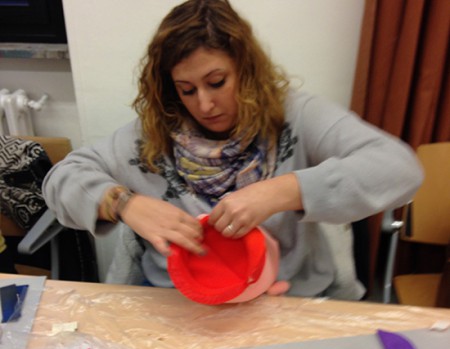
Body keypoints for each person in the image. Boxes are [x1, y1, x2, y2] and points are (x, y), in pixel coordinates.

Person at [43, 0, 423, 300]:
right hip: (180, 304)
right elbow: (60, 180)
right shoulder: (150, 138)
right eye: (187, 90)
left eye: (217, 82)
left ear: (246, 69)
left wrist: (282, 191)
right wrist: (123, 203)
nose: (204, 104)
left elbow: (399, 168)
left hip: (285, 299)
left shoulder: (295, 117)